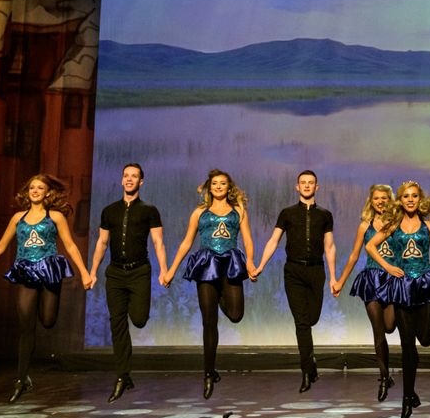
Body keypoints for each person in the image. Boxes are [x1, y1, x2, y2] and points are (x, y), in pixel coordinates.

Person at [0, 174, 91, 402]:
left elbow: (70, 245)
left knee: (48, 320)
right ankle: (21, 378)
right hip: (26, 271)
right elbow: (0, 247)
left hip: (49, 270)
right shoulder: (18, 218)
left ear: (47, 193)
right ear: (27, 192)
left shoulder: (55, 217)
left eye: (40, 188)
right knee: (26, 328)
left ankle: (46, 302)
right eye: (32, 187)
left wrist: (84, 272)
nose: (35, 191)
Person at [365, 181, 430, 418]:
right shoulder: (393, 225)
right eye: (406, 196)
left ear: (420, 199)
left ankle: (410, 390)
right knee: (407, 345)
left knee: (425, 339)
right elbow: (370, 246)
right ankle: (407, 397)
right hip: (402, 288)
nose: (410, 199)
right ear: (400, 200)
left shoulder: (429, 226)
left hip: (426, 285)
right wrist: (388, 266)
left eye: (414, 196)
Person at [163, 169, 256, 400]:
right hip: (206, 265)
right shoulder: (199, 213)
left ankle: (219, 296)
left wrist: (251, 263)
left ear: (228, 187)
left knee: (236, 314)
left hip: (230, 263)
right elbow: (186, 243)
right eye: (214, 183)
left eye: (223, 183)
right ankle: (208, 372)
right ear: (209, 187)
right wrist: (171, 270)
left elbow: (247, 240)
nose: (218, 186)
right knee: (209, 322)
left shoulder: (238, 211)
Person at [87, 163, 168, 403]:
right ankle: (123, 375)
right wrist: (93, 271)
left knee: (139, 319)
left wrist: (164, 270)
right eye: (126, 176)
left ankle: (125, 374)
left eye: (134, 176)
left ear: (141, 182)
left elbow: (158, 242)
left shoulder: (149, 210)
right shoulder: (109, 210)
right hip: (115, 274)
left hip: (139, 272)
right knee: (117, 323)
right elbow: (102, 243)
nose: (129, 179)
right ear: (122, 180)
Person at [255, 169, 337, 393]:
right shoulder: (287, 213)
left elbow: (329, 246)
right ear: (297, 187)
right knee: (301, 323)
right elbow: (273, 241)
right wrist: (260, 266)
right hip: (293, 271)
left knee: (312, 318)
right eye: (303, 182)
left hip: (316, 271)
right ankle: (306, 371)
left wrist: (333, 277)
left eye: (311, 182)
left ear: (316, 187)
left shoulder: (325, 215)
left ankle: (310, 363)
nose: (307, 185)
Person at [333, 184, 397, 401]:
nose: (380, 202)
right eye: (376, 198)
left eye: (384, 198)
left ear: (390, 200)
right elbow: (353, 255)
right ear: (371, 201)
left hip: (393, 279)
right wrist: (341, 281)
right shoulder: (365, 226)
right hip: (372, 280)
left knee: (389, 326)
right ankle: (384, 377)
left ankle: (387, 373)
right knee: (378, 330)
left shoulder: (397, 223)